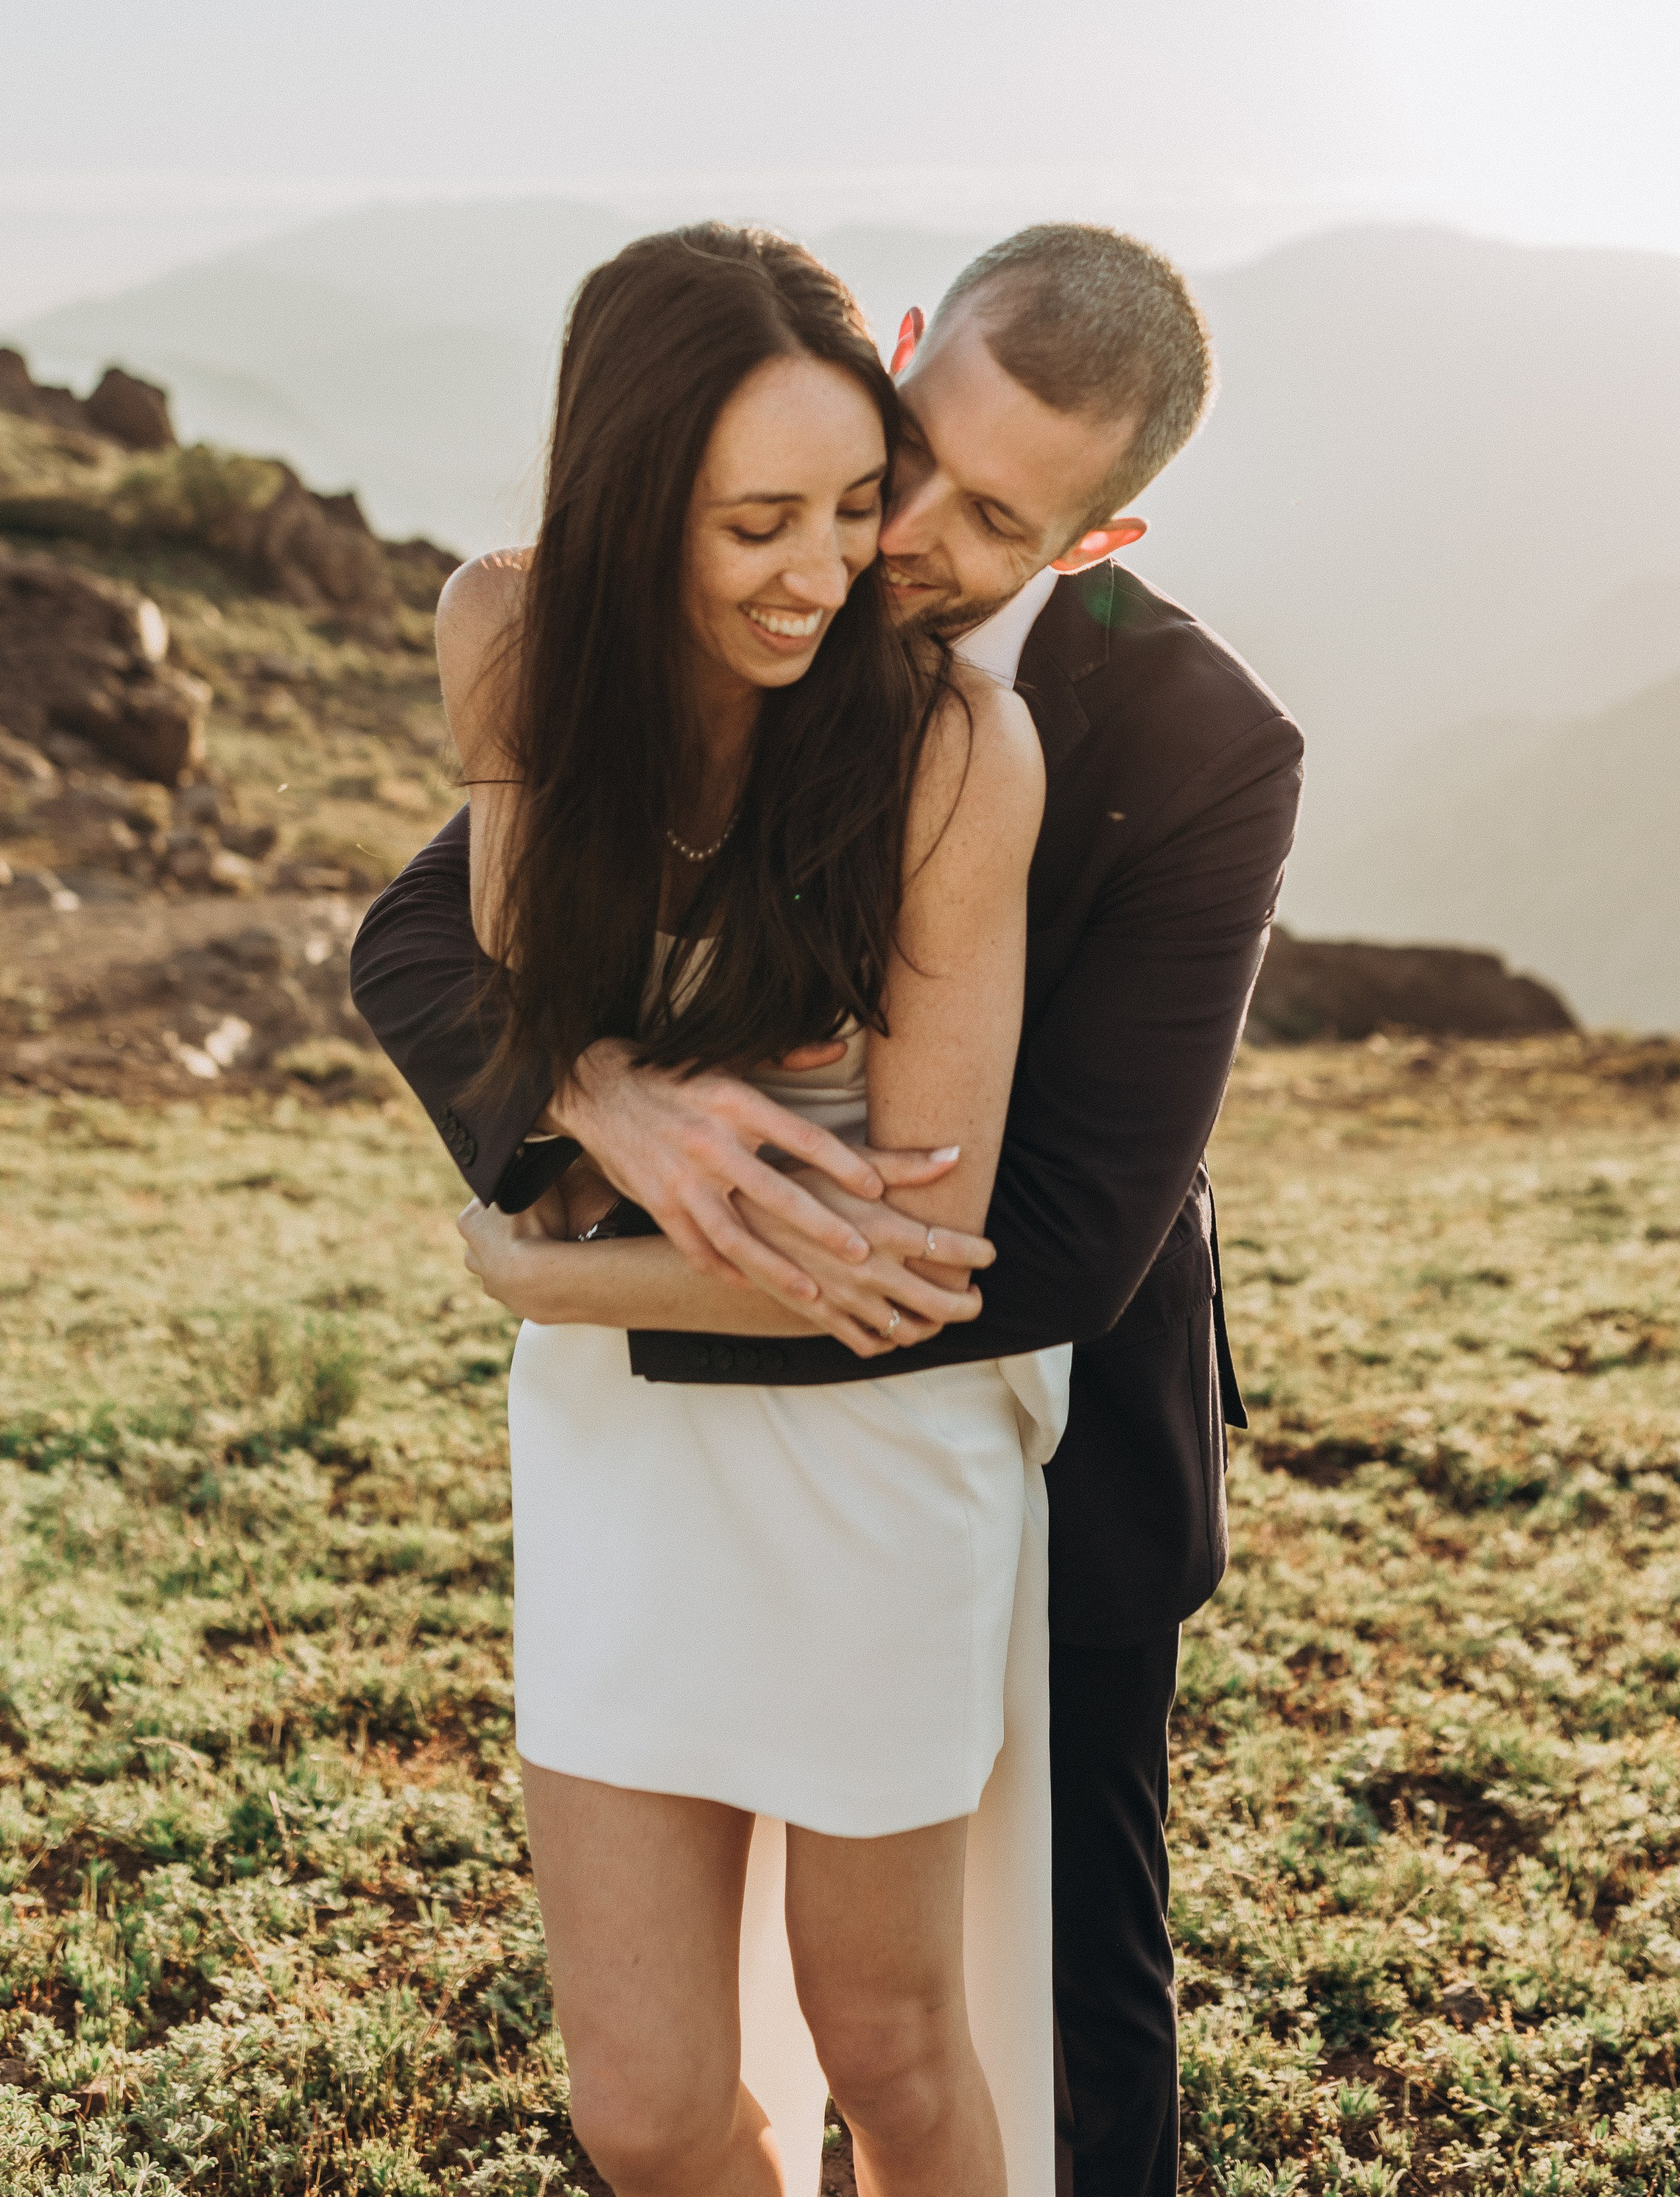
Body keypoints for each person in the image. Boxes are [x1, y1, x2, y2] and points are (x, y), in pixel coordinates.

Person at [352, 220, 1306, 2197]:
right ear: (888, 358)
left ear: (1095, 548)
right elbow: (427, 942)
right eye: (907, 460)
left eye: (992, 519)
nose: (898, 542)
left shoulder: (1194, 746)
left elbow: (1052, 1243)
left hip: (1044, 1393)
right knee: (663, 2068)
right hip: (681, 1407)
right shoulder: (736, 584)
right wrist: (604, 1099)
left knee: (1053, 2011)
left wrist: (554, 1277)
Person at [418, 219, 1066, 2197]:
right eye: (755, 523)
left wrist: (531, 1265)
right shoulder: (508, 640)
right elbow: (541, 1016)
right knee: (636, 2101)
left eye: (856, 506)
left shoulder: (955, 748)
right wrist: (607, 1100)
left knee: (892, 2049)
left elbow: (909, 1276)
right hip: (625, 1460)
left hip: (870, 1457)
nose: (829, 573)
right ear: (627, 513)